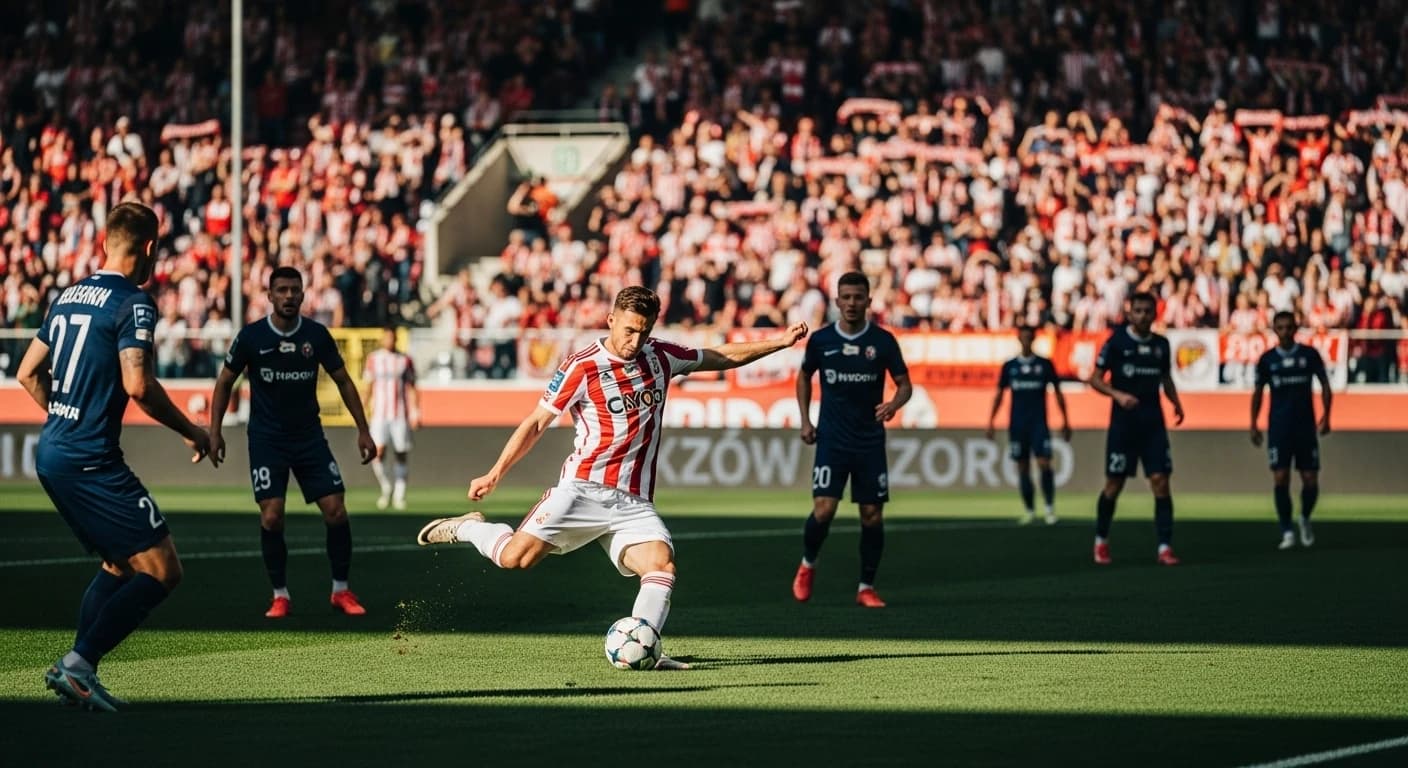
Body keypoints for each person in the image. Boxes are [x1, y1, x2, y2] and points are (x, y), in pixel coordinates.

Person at [415, 286, 806, 668]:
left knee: (661, 567)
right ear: (611, 320)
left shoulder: (662, 356)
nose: (636, 341)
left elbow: (719, 355)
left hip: (633, 502)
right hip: (582, 490)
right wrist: (495, 472)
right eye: (629, 330)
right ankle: (468, 528)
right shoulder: (582, 365)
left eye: (645, 331)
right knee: (514, 558)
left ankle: (645, 644)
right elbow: (537, 422)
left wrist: (779, 342)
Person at [16, 202, 214, 711]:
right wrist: (194, 431)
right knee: (164, 570)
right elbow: (138, 385)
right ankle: (78, 664)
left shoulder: (66, 297)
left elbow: (27, 373)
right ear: (148, 249)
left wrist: (65, 413)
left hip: (54, 451)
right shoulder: (134, 302)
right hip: (90, 460)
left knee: (118, 564)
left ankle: (79, 674)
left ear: (105, 242)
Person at [208, 267, 377, 618]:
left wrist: (363, 429)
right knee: (272, 517)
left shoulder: (315, 335)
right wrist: (215, 431)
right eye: (281, 290)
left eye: (294, 290)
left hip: (309, 438)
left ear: (303, 294)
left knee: (336, 510)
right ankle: (280, 594)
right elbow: (225, 382)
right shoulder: (251, 337)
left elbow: (344, 381)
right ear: (269, 295)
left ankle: (341, 590)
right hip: (267, 440)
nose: (288, 296)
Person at [791, 272, 912, 608]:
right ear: (837, 301)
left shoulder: (883, 342)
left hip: (870, 442)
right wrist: (805, 420)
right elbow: (803, 377)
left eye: (858, 297)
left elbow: (905, 385)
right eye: (846, 297)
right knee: (824, 509)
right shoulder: (821, 340)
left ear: (869, 301)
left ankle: (865, 587)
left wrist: (893, 404)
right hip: (831, 440)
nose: (852, 303)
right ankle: (808, 564)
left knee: (872, 515)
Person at [1088, 292, 1186, 566]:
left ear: (1155, 314)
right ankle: (1101, 541)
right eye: (1138, 311)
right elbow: (1094, 379)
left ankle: (1165, 547)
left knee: (1161, 482)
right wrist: (1118, 395)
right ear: (1130, 313)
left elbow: (1165, 377)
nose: (1143, 315)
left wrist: (1176, 403)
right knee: (1114, 484)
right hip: (1123, 425)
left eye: (1147, 311)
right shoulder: (1117, 342)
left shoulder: (1161, 345)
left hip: (1153, 424)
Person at [1250, 311, 1332, 549]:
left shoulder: (1309, 355)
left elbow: (1325, 384)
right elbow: (1257, 393)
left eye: (1289, 327)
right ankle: (1286, 530)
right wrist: (1253, 423)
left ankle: (1304, 517)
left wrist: (1327, 415)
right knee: (1281, 477)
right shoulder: (1267, 360)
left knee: (1310, 480)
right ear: (1274, 330)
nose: (1285, 332)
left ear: (1296, 329)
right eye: (1280, 327)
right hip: (1279, 428)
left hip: (1306, 427)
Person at [986, 325, 1072, 525]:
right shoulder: (1010, 366)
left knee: (1044, 463)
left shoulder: (1044, 365)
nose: (1026, 341)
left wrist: (1066, 421)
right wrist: (990, 421)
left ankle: (1049, 508)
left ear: (1033, 339)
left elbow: (1058, 394)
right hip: (1017, 425)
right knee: (1022, 467)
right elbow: (999, 395)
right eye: (1023, 337)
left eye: (1029, 337)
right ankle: (1030, 510)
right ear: (1018, 339)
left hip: (1039, 424)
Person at [363, 325, 420, 510]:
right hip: (379, 414)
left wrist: (415, 412)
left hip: (400, 415)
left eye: (392, 338)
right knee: (377, 453)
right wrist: (362, 409)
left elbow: (412, 387)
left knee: (401, 453)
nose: (390, 341)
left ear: (396, 339)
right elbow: (368, 386)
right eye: (387, 338)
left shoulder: (405, 360)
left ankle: (399, 495)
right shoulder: (373, 359)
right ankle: (386, 488)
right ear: (382, 340)